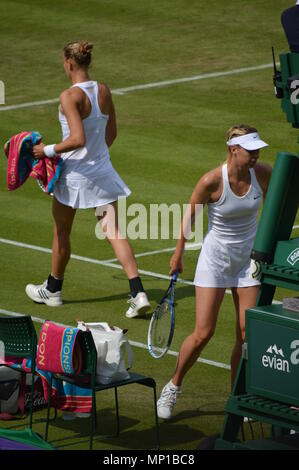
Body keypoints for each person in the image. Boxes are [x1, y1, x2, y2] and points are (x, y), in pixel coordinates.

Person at [25, 41, 150, 319]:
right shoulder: (104, 90)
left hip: (74, 176)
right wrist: (97, 157)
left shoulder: (69, 96)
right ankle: (138, 293)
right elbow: (112, 133)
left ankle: (53, 290)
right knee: (114, 232)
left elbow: (77, 139)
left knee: (61, 231)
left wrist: (45, 150)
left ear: (69, 63)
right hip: (102, 172)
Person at [157, 124, 272, 419]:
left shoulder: (262, 173)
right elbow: (189, 217)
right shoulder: (211, 181)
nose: (256, 154)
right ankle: (173, 386)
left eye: (258, 148)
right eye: (250, 149)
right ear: (234, 150)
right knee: (203, 332)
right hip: (215, 261)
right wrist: (178, 253)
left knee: (247, 334)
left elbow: (279, 202)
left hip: (248, 263)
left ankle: (239, 396)